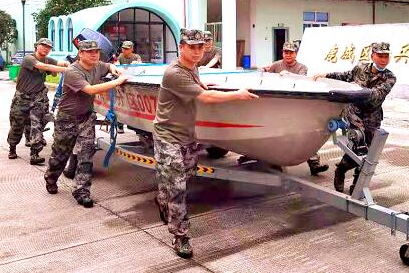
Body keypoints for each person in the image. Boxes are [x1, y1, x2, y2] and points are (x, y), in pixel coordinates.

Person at [153, 28, 258, 259]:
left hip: (188, 135)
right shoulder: (174, 73)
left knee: (186, 176)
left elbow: (199, 88)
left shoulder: (193, 67)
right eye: (192, 47)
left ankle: (163, 197)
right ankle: (180, 235)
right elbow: (206, 98)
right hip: (168, 136)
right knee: (178, 188)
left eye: (200, 47)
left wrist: (203, 85)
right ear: (181, 47)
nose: (197, 51)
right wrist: (237, 94)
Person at [43, 40, 128, 208]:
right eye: (89, 52)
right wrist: (118, 81)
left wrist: (115, 69)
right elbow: (91, 90)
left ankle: (82, 191)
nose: (94, 55)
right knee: (60, 155)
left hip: (86, 117)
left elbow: (107, 65)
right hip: (67, 119)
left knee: (86, 156)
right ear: (80, 54)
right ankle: (51, 177)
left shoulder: (97, 65)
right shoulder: (72, 71)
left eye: (96, 51)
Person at [313, 42, 396, 194]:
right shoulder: (360, 68)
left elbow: (376, 95)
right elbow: (345, 76)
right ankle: (341, 171)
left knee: (368, 153)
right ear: (372, 56)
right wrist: (326, 75)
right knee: (357, 145)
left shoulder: (390, 78)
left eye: (386, 56)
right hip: (354, 113)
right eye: (380, 56)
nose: (384, 59)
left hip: (372, 117)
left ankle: (356, 185)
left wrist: (353, 92)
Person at [259, 41, 328, 176]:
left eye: (291, 52)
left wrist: (288, 75)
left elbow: (302, 80)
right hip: (277, 106)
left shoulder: (302, 67)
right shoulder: (276, 65)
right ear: (282, 53)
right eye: (286, 52)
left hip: (297, 106)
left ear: (296, 54)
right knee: (276, 135)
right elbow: (264, 76)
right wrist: (263, 70)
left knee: (305, 134)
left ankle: (314, 164)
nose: (288, 55)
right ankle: (275, 163)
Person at [7, 38, 69, 164]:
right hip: (22, 98)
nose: (46, 49)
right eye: (43, 46)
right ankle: (12, 148)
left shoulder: (48, 59)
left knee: (37, 125)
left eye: (49, 47)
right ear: (37, 46)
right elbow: (43, 66)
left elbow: (60, 63)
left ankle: (35, 154)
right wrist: (65, 70)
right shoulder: (29, 58)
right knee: (16, 126)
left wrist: (70, 64)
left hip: (38, 98)